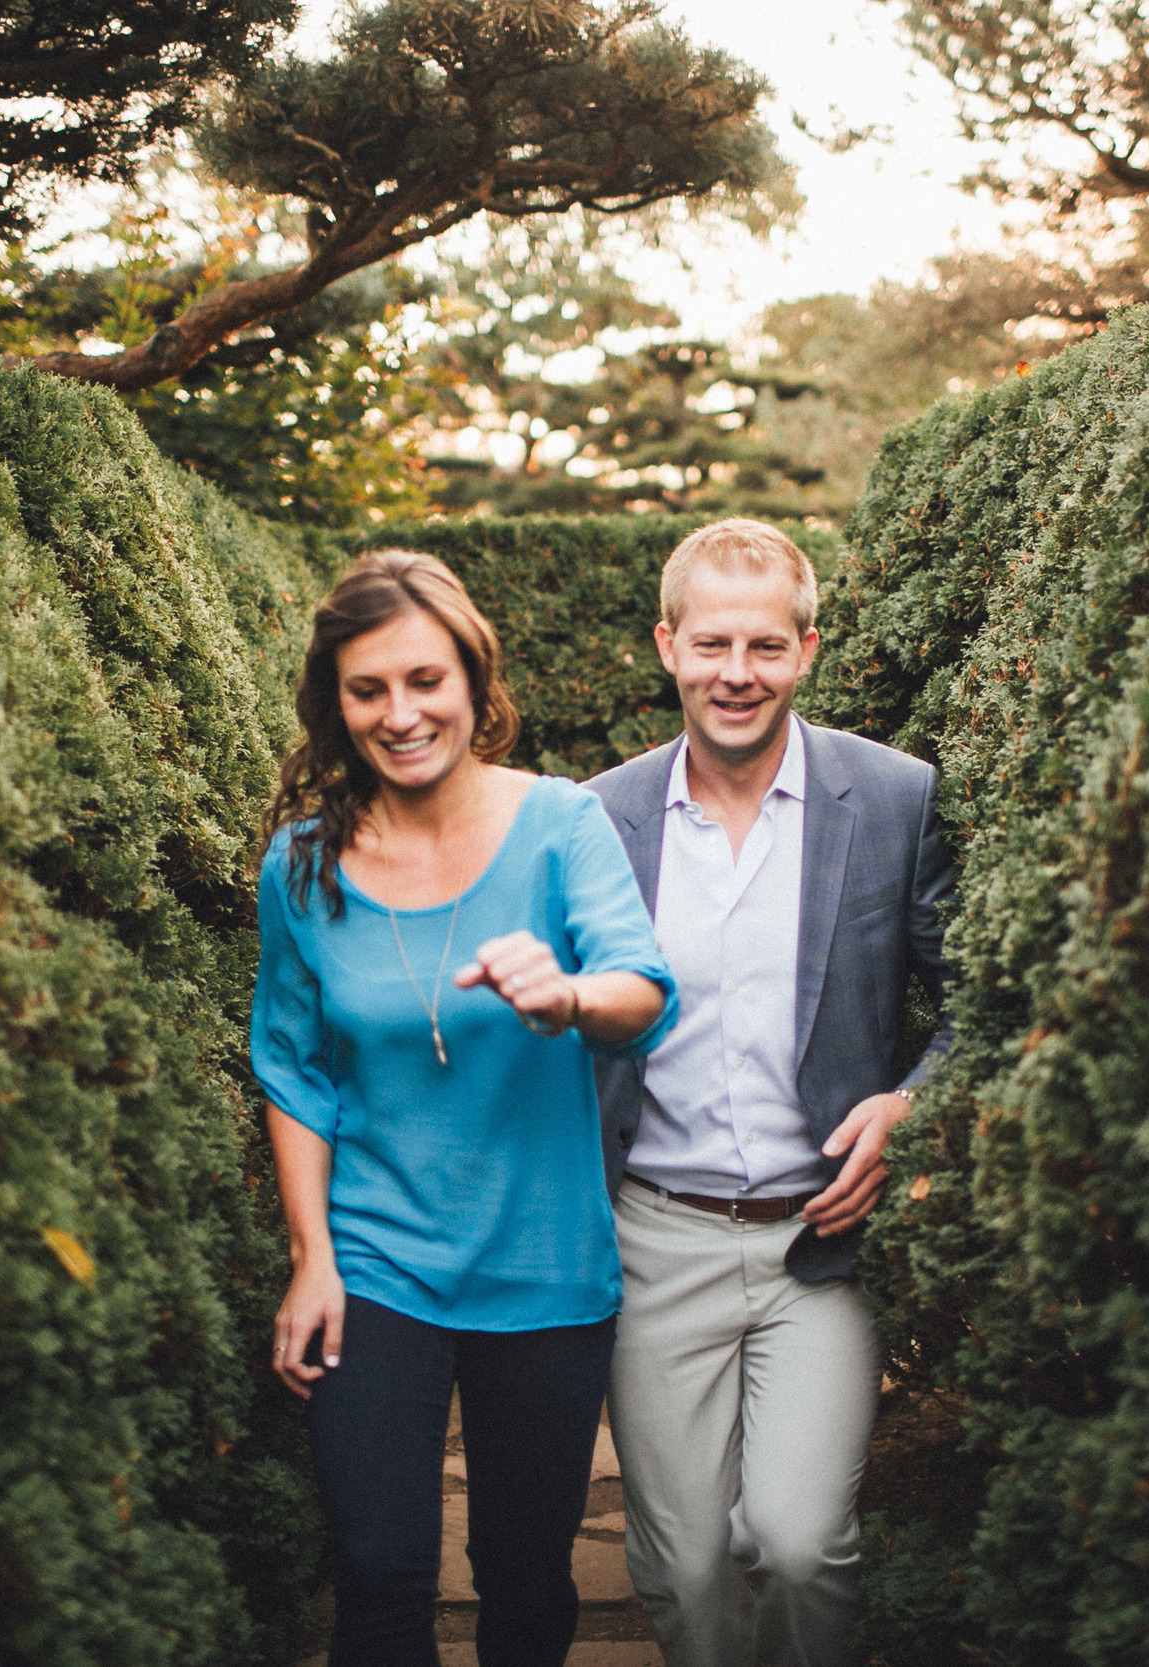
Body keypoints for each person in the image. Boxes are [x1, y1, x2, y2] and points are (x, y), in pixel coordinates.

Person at [253, 551, 679, 1667]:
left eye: (424, 680)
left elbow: (641, 992)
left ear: (472, 681)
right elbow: (293, 1065)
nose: (400, 714)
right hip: (377, 1260)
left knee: (525, 1572)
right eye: (367, 689)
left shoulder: (559, 822)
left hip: (545, 1264)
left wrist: (569, 992)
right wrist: (312, 1256)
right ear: (334, 703)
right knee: (381, 1564)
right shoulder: (300, 864)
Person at [582, 518, 955, 1667]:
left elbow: (977, 992)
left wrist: (910, 1104)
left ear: (804, 648)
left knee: (798, 1543)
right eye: (710, 644)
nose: (734, 673)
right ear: (667, 646)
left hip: (821, 1242)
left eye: (762, 645)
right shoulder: (597, 817)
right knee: (681, 1564)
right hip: (653, 1241)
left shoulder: (895, 797)